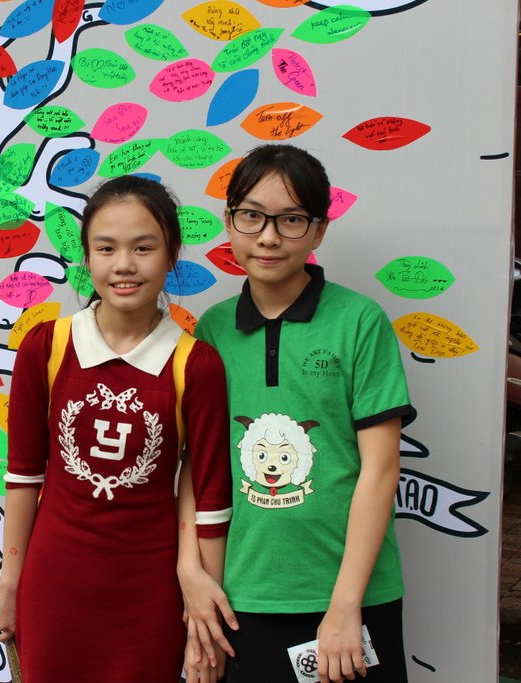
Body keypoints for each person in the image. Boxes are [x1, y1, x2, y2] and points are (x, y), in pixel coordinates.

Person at [0, 175, 235, 682]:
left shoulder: (196, 364)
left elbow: (209, 495)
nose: (124, 265)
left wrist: (201, 614)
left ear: (171, 254)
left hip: (151, 592)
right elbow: (24, 476)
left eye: (143, 248)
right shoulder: (46, 347)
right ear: (87, 257)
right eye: (106, 248)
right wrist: (10, 582)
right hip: (53, 585)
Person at [195, 144, 415, 682]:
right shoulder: (212, 330)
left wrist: (344, 606)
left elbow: (381, 468)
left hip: (352, 599)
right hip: (242, 599)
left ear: (319, 231)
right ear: (229, 222)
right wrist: (198, 583)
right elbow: (201, 472)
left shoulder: (359, 321)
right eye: (252, 216)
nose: (268, 237)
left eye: (291, 219)